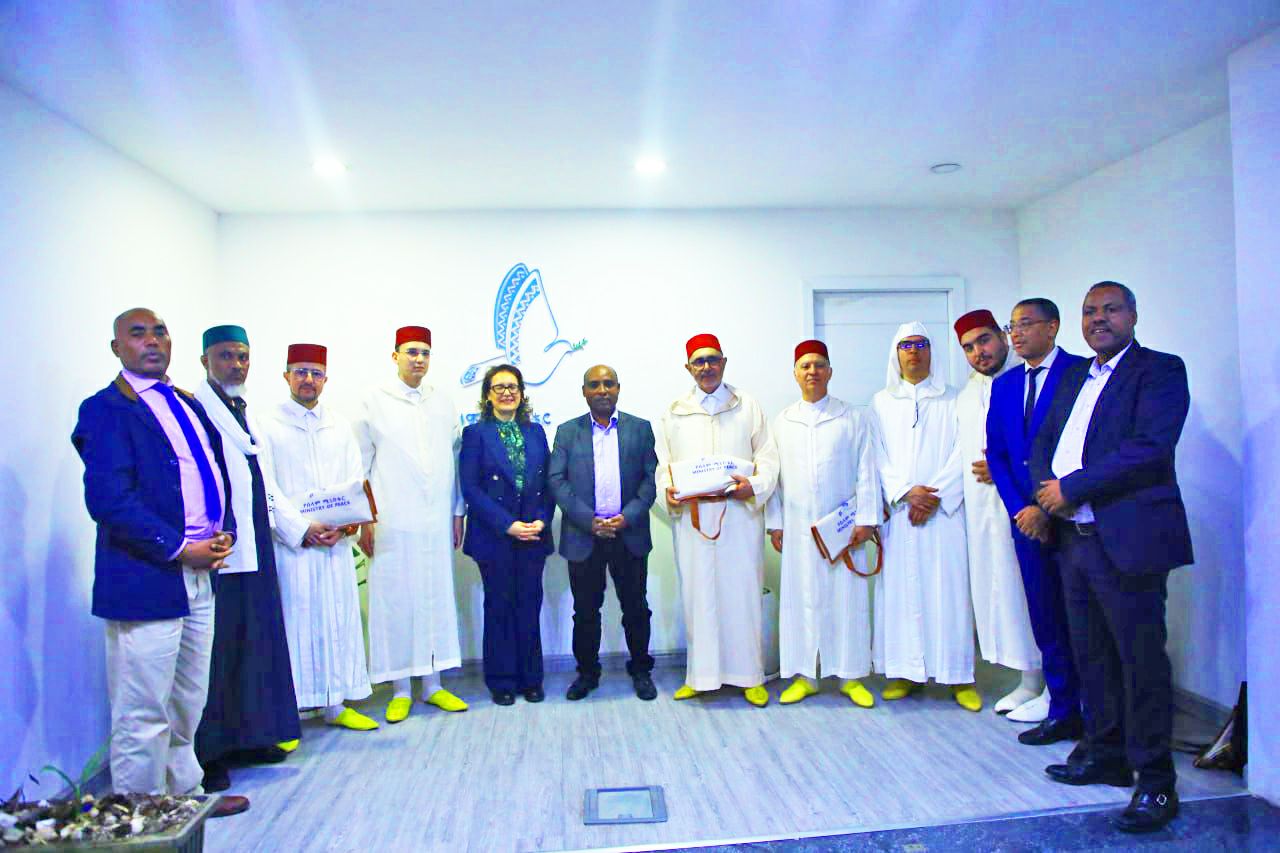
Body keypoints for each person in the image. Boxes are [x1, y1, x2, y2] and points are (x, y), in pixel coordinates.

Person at [71, 308, 247, 818]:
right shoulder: (106, 409)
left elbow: (212, 471)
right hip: (146, 578)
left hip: (199, 575)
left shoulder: (186, 403)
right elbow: (109, 500)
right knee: (143, 710)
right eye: (138, 334)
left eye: (160, 332)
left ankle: (184, 799)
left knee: (188, 700)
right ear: (117, 348)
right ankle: (142, 817)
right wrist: (178, 547)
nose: (152, 341)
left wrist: (224, 529)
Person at [1031, 281, 1192, 833]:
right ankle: (1106, 754)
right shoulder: (1075, 375)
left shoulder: (1160, 371)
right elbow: (1044, 440)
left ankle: (1156, 783)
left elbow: (1149, 448)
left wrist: (1072, 487)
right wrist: (1045, 492)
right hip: (1074, 539)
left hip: (1127, 538)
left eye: (1110, 310)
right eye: (1089, 311)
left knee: (1140, 662)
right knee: (1092, 655)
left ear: (1133, 315)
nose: (1099, 319)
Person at [192, 325, 301, 792]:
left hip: (255, 544)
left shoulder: (242, 411)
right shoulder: (196, 411)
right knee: (216, 655)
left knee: (253, 645)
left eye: (242, 356)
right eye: (226, 356)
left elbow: (264, 482)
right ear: (205, 361)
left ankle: (250, 739)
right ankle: (209, 754)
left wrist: (298, 528)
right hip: (221, 551)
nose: (236, 365)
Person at [656, 333, 779, 707]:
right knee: (699, 597)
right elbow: (662, 465)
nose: (706, 367)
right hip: (693, 519)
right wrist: (667, 493)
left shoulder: (747, 406)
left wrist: (754, 486)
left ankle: (750, 676)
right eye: (699, 361)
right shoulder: (675, 411)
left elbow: (768, 458)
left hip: (739, 516)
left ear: (724, 362)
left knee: (742, 595)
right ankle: (701, 677)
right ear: (688, 368)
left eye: (713, 360)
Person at [261, 343, 378, 732]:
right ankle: (289, 715)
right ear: (286, 376)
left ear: (326, 379)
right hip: (293, 547)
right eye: (300, 372)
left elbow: (354, 480)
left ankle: (336, 705)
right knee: (296, 624)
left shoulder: (339, 425)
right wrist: (302, 529)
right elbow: (267, 486)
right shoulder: (267, 425)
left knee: (337, 622)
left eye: (315, 373)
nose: (308, 380)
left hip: (334, 545)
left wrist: (343, 526)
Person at [355, 326, 468, 723]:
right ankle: (400, 689)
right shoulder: (374, 401)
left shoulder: (442, 402)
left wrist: (457, 512)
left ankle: (434, 685)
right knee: (395, 601)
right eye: (411, 352)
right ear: (395, 356)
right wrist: (364, 519)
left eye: (424, 353)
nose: (419, 359)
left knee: (435, 597)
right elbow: (360, 466)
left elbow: (455, 463)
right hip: (391, 521)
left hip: (435, 520)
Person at [986, 298, 1084, 745]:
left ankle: (1095, 712)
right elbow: (998, 455)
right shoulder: (1006, 386)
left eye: (1026, 324)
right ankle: (1061, 709)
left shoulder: (1081, 374)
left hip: (1072, 517)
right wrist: (1019, 509)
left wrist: (1045, 507)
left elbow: (1084, 447)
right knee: (1045, 616)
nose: (1017, 334)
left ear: (1053, 327)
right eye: (1012, 326)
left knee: (1083, 618)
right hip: (1025, 522)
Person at [765, 340, 881, 707]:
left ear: (830, 371)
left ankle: (851, 676)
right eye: (805, 366)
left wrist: (867, 519)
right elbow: (774, 477)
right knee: (802, 600)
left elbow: (867, 469)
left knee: (847, 600)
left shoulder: (852, 417)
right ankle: (805, 676)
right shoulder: (783, 421)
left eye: (819, 365)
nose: (812, 371)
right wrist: (776, 523)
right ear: (795, 374)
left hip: (844, 528)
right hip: (799, 529)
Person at [870, 322, 979, 710]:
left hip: (944, 515)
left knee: (950, 593)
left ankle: (958, 676)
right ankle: (905, 673)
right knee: (900, 595)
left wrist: (934, 495)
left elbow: (965, 450)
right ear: (896, 354)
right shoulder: (881, 403)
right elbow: (876, 454)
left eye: (921, 344)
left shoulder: (955, 399)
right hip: (901, 515)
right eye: (906, 346)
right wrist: (905, 492)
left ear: (932, 351)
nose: (914, 351)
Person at [954, 310, 1045, 720]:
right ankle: (1028, 679)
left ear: (1003, 337)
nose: (979, 352)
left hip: (1025, 503)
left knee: (1033, 592)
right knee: (1004, 592)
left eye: (984, 340)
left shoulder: (1026, 381)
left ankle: (1051, 682)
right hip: (981, 511)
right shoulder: (966, 395)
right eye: (969, 347)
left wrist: (1005, 467)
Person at [548, 365, 659, 701]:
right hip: (584, 536)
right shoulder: (568, 432)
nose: (602, 390)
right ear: (584, 391)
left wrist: (627, 517)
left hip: (629, 534)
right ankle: (587, 673)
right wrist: (589, 520)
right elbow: (557, 481)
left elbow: (650, 480)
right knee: (585, 612)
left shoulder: (640, 429)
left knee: (636, 608)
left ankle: (641, 670)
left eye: (608, 384)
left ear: (618, 388)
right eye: (594, 385)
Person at [459, 365, 555, 705]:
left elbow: (549, 483)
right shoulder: (475, 434)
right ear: (487, 395)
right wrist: (507, 525)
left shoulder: (536, 432)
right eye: (498, 387)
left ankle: (531, 679)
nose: (506, 393)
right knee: (499, 607)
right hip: (494, 537)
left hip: (533, 535)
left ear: (522, 393)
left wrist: (542, 520)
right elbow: (471, 489)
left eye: (512, 387)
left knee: (529, 606)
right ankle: (501, 681)